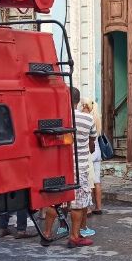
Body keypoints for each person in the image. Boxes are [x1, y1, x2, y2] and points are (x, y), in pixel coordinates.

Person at [44, 87, 96, 248]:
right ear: (78, 101)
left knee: (55, 200)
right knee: (78, 203)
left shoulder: (57, 118)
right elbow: (92, 146)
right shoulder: (88, 119)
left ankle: (46, 233)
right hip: (79, 166)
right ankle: (74, 236)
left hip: (59, 165)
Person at [81, 98, 104, 215]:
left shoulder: (86, 119)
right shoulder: (97, 120)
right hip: (97, 152)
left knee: (88, 182)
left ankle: (88, 208)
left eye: (83, 107)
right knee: (97, 181)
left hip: (89, 152)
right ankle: (98, 207)